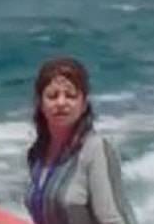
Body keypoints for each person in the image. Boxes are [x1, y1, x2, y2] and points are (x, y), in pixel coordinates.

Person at [24, 57, 136, 224]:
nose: (61, 103)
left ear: (83, 105)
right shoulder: (37, 154)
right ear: (41, 104)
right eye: (52, 96)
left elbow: (113, 219)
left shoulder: (95, 150)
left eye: (70, 96)